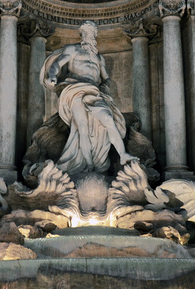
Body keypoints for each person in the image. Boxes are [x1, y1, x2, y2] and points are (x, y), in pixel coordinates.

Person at [40, 21, 136, 174]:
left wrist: (105, 87)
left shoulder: (99, 58)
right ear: (82, 35)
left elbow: (106, 78)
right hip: (75, 90)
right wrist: (52, 75)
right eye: (86, 33)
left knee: (108, 119)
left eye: (92, 34)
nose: (89, 36)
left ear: (95, 37)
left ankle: (123, 154)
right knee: (82, 127)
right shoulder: (72, 49)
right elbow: (57, 65)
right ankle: (89, 165)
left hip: (94, 92)